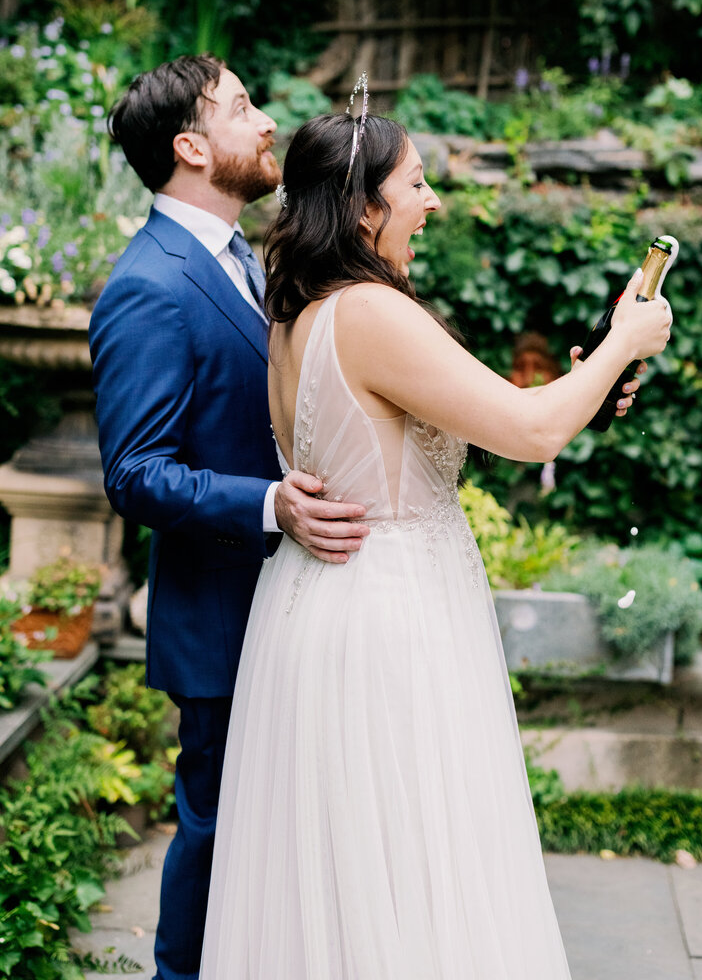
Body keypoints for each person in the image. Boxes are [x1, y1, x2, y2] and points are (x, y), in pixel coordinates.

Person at [199, 97, 671, 979]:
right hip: (391, 619)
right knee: (416, 863)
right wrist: (625, 341)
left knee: (346, 878)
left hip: (319, 608)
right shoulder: (370, 313)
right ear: (366, 208)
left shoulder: (297, 313)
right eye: (417, 183)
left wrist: (589, 380)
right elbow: (528, 434)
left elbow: (459, 428)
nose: (435, 202)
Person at [88, 55, 369, 980]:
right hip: (221, 616)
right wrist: (270, 505)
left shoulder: (247, 257)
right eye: (243, 106)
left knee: (278, 836)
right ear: (191, 147)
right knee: (214, 829)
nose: (265, 120)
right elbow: (135, 473)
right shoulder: (149, 286)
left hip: (288, 603)